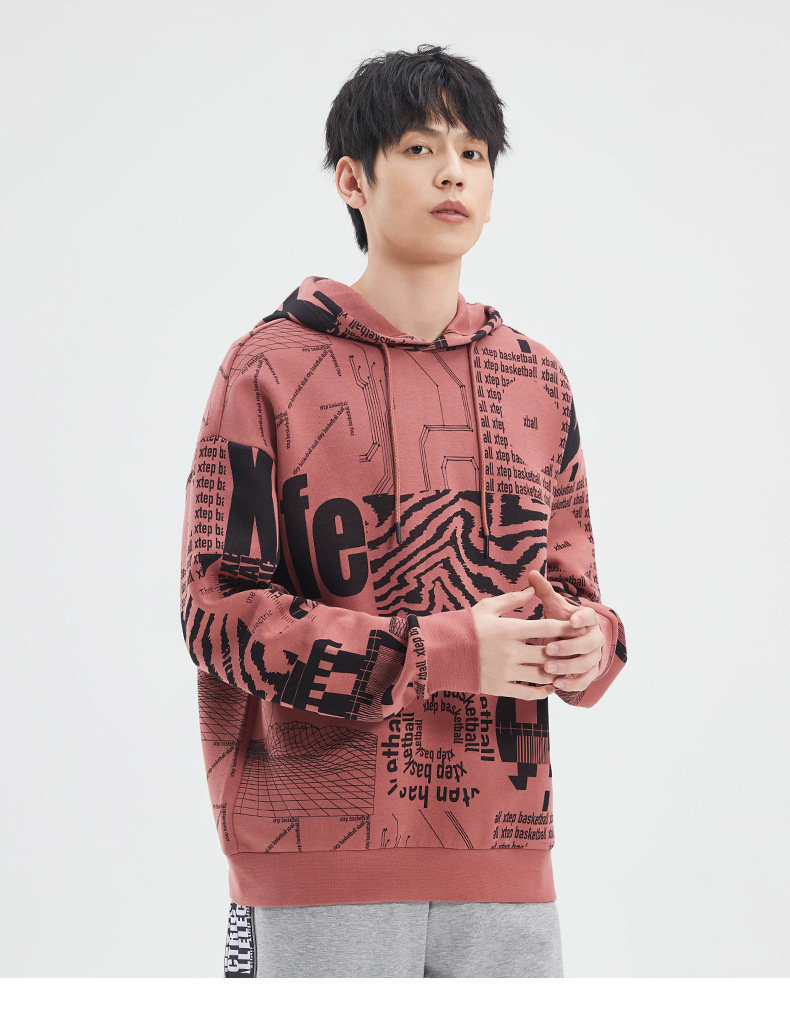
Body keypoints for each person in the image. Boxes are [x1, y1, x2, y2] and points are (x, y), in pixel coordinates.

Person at [179, 43, 628, 978]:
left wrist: (590, 645)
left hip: (507, 861)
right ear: (353, 179)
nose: (452, 172)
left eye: (473, 152)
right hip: (315, 863)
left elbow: (577, 589)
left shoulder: (535, 378)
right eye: (421, 148)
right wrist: (444, 651)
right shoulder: (267, 368)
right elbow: (218, 614)